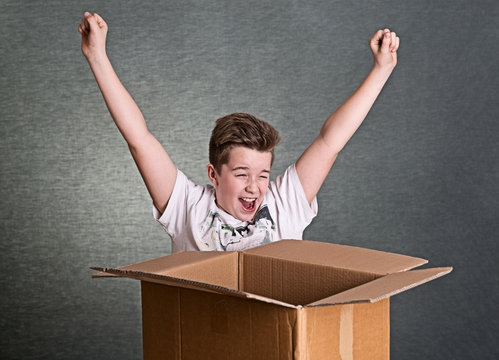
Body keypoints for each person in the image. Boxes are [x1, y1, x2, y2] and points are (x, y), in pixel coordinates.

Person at [78, 12, 400, 253]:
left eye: (263, 175)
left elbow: (331, 141)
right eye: (242, 173)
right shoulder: (187, 208)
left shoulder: (283, 204)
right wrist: (97, 57)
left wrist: (381, 70)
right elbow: (139, 139)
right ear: (214, 174)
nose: (254, 188)